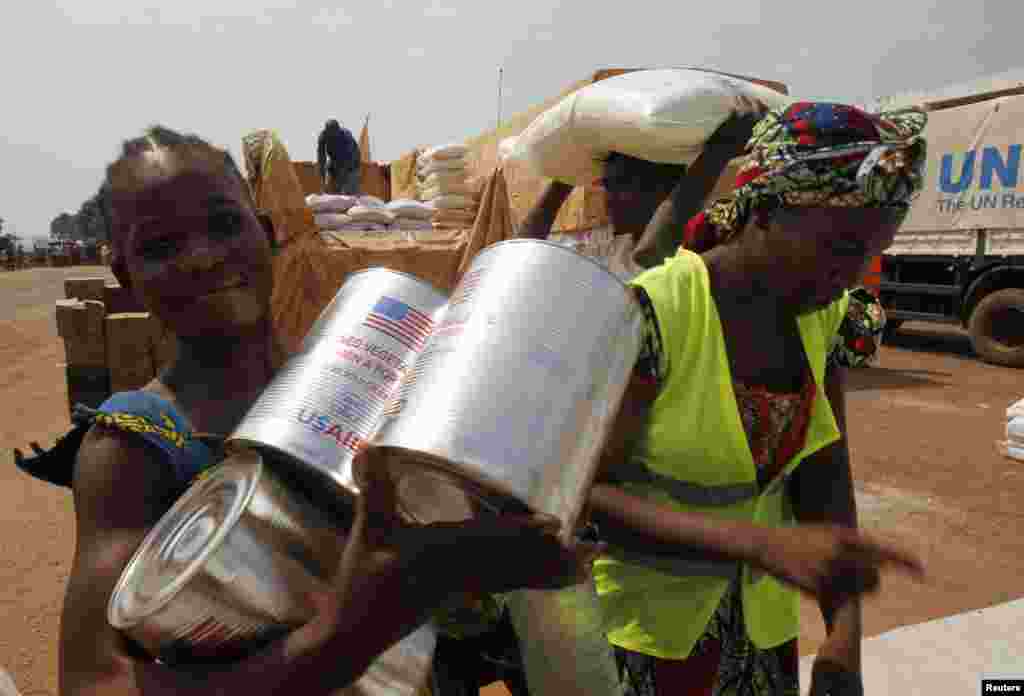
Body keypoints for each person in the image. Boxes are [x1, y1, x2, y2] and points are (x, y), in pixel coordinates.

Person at [12, 126, 598, 696]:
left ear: (266, 235)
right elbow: (95, 682)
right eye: (161, 247)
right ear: (126, 276)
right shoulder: (136, 445)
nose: (203, 258)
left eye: (223, 225)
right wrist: (356, 628)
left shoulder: (356, 381)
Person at [585, 101, 929, 696]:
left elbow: (824, 478)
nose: (851, 276)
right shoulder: (654, 315)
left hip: (761, 639)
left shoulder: (818, 320)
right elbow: (584, 497)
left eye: (870, 255)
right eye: (840, 248)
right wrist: (760, 544)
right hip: (643, 641)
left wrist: (843, 643)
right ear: (765, 210)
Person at [518, 98, 766, 282]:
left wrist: (715, 155)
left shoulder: (702, 249)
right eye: (608, 186)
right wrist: (567, 173)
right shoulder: (608, 249)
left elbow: (651, 255)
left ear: (664, 190)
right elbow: (523, 252)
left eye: (622, 185)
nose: (609, 198)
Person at [318, 120, 362, 195]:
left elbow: (350, 157)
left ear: (338, 130)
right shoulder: (323, 136)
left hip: (352, 164)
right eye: (330, 133)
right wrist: (322, 176)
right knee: (331, 191)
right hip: (334, 161)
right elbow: (321, 157)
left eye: (334, 133)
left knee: (349, 191)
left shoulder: (346, 136)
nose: (333, 135)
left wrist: (341, 176)